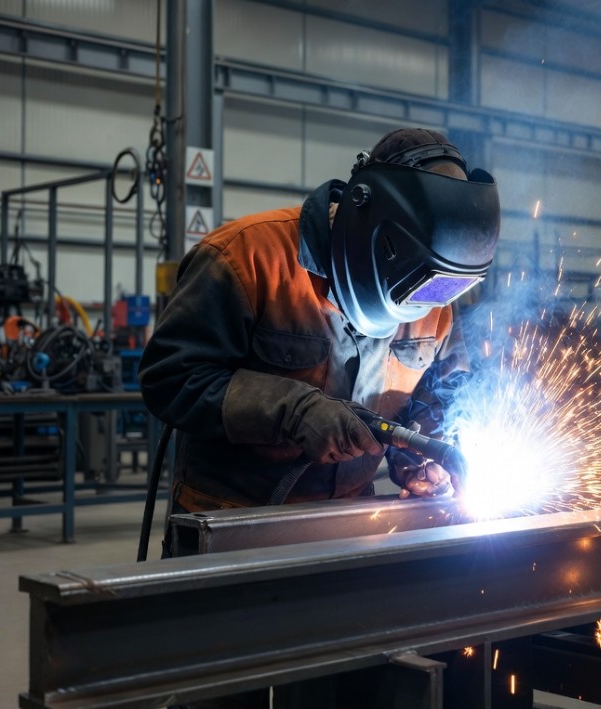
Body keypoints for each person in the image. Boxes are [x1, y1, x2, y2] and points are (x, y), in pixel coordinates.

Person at [139, 127, 500, 556]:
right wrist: (293, 410)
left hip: (351, 530)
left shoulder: (434, 296)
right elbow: (170, 377)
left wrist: (421, 452)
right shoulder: (246, 258)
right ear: (370, 227)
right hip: (230, 529)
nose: (422, 306)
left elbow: (439, 397)